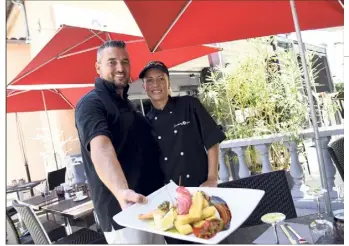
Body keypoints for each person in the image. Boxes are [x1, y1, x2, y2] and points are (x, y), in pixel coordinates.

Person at [75, 41, 165, 244]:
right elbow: (101, 147)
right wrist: (121, 191)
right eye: (112, 62)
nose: (120, 68)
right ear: (98, 67)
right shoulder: (90, 104)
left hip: (151, 204)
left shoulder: (127, 104)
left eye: (125, 61)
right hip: (123, 212)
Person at [140, 61, 226, 244]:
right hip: (173, 202)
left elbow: (212, 140)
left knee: (212, 238)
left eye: (161, 79)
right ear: (144, 86)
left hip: (201, 192)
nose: (156, 85)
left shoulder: (189, 105)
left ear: (168, 82)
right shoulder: (145, 123)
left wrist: (212, 178)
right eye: (150, 80)